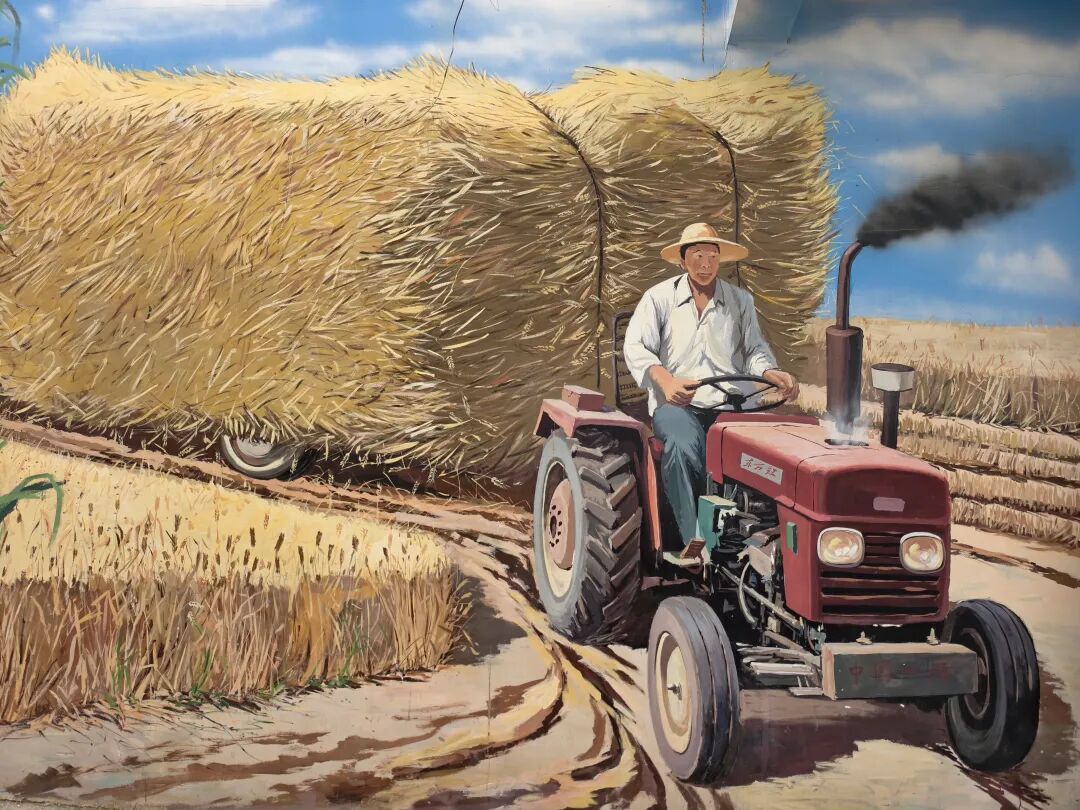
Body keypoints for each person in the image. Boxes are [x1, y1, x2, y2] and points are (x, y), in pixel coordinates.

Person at [623, 222, 799, 549]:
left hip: (733, 406)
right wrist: (666, 380)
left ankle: (760, 541)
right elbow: (636, 347)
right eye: (697, 256)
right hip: (679, 405)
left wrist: (770, 371)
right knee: (682, 447)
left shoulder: (740, 301)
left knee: (768, 458)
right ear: (682, 260)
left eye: (712, 257)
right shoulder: (658, 298)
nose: (705, 265)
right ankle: (695, 542)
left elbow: (754, 349)